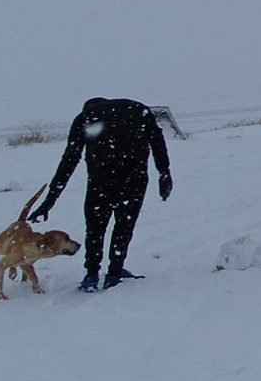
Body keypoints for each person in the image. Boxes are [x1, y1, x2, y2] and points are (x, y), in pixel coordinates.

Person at [32, 97, 173, 291]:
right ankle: (114, 272)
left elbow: (70, 159)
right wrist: (164, 172)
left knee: (95, 228)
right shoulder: (138, 110)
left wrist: (50, 199)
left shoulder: (86, 117)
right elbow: (157, 140)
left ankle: (91, 274)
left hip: (101, 180)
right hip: (134, 178)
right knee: (124, 225)